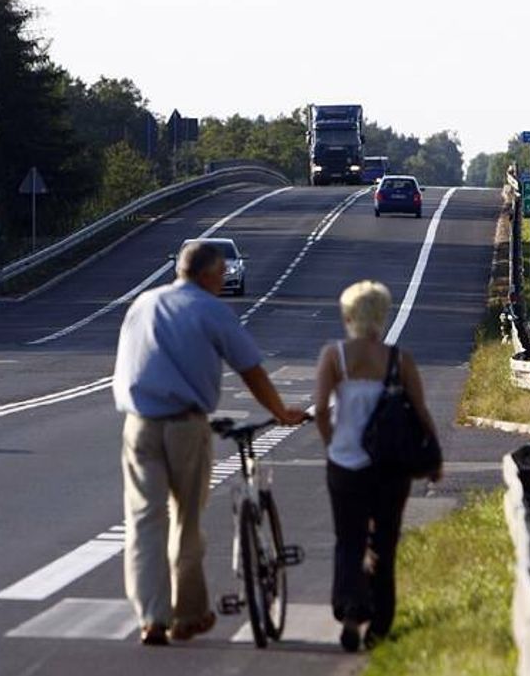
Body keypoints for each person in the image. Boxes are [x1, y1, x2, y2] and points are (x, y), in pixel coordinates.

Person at [113, 240, 306, 646]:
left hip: (138, 424)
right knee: (185, 518)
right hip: (185, 424)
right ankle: (187, 615)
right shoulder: (211, 309)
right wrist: (280, 410)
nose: (223, 281)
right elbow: (250, 369)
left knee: (144, 521)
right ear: (204, 275)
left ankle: (151, 617)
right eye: (220, 274)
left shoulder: (143, 304)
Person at [312, 280, 440, 652]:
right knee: (384, 542)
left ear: (348, 316)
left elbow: (321, 409)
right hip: (391, 467)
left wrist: (331, 443)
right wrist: (433, 458)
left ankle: (351, 611)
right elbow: (420, 411)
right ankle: (380, 625)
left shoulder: (334, 356)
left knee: (349, 539)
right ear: (382, 316)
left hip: (345, 462)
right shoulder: (399, 360)